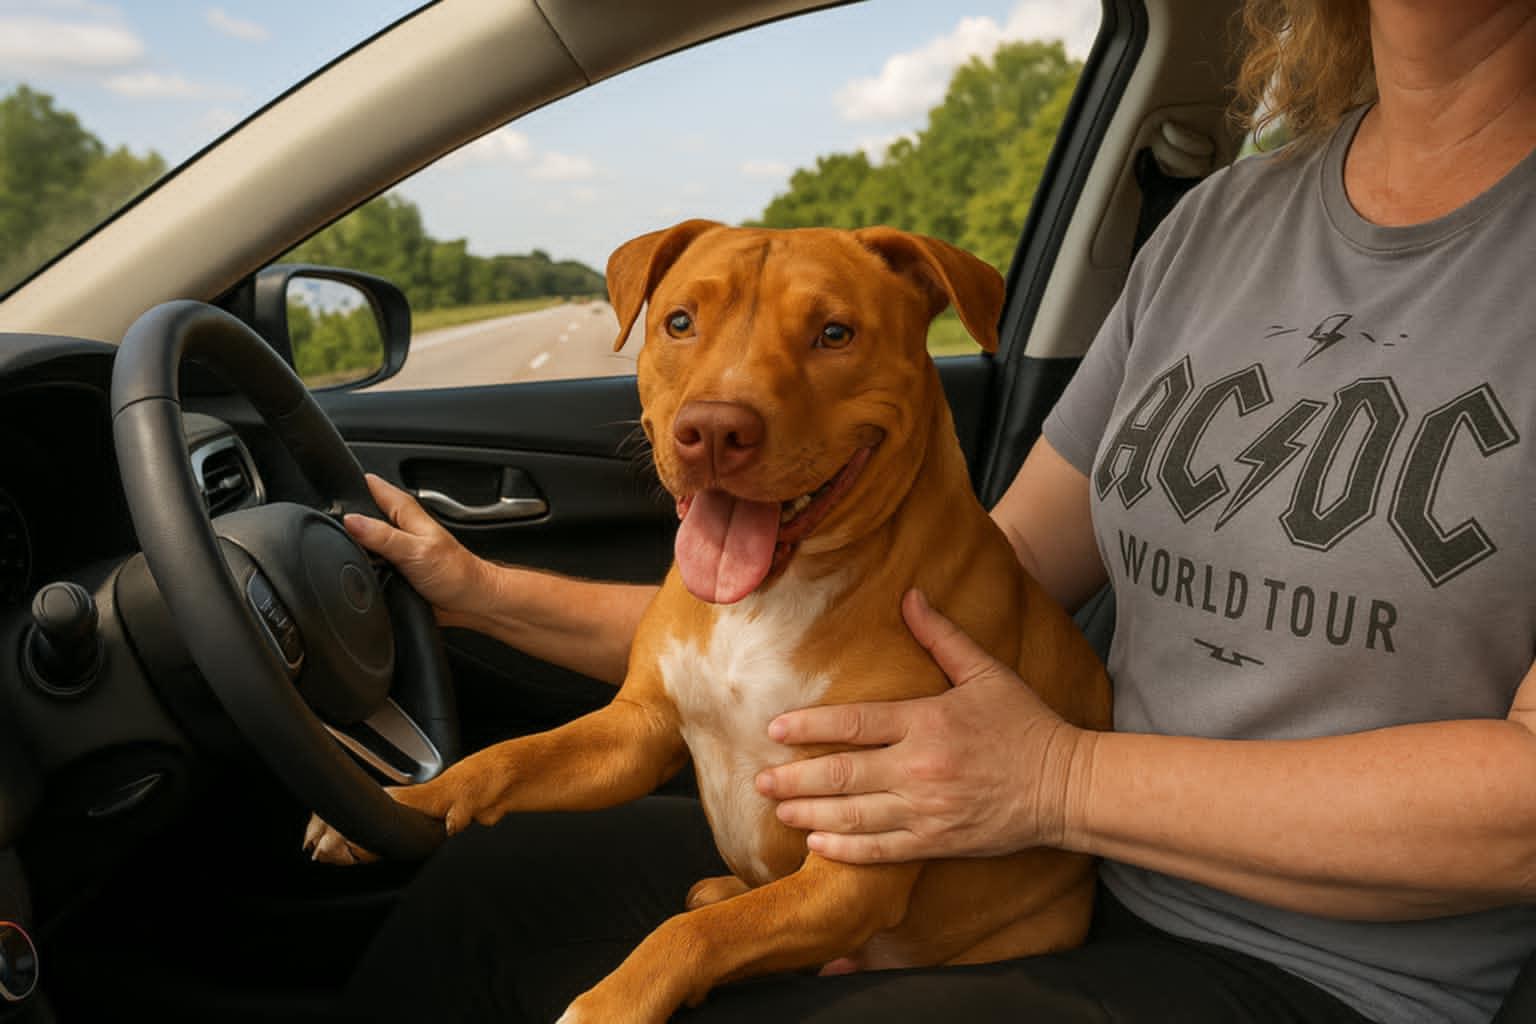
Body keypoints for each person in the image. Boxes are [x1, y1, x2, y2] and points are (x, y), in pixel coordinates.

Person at [341, 1, 1536, 1020]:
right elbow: (959, 584)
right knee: (486, 896)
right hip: (1054, 854)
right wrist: (488, 596)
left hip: (1320, 967)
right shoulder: (1224, 224)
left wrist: (1058, 782)